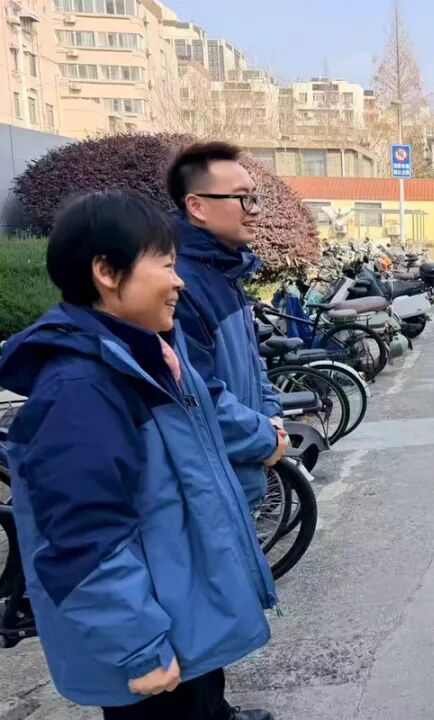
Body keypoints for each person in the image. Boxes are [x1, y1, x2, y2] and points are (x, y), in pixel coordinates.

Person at [0, 191, 279, 719]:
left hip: (178, 614)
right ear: (107, 272)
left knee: (203, 701)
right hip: (151, 636)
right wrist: (139, 645)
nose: (179, 282)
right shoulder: (81, 388)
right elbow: (83, 537)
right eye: (166, 265)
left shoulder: (145, 355)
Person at [166, 141, 286, 508]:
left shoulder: (224, 273)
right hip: (212, 491)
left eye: (255, 198)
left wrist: (271, 416)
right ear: (197, 206)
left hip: (239, 478)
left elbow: (252, 362)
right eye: (242, 198)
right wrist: (265, 437)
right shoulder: (179, 285)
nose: (254, 210)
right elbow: (197, 396)